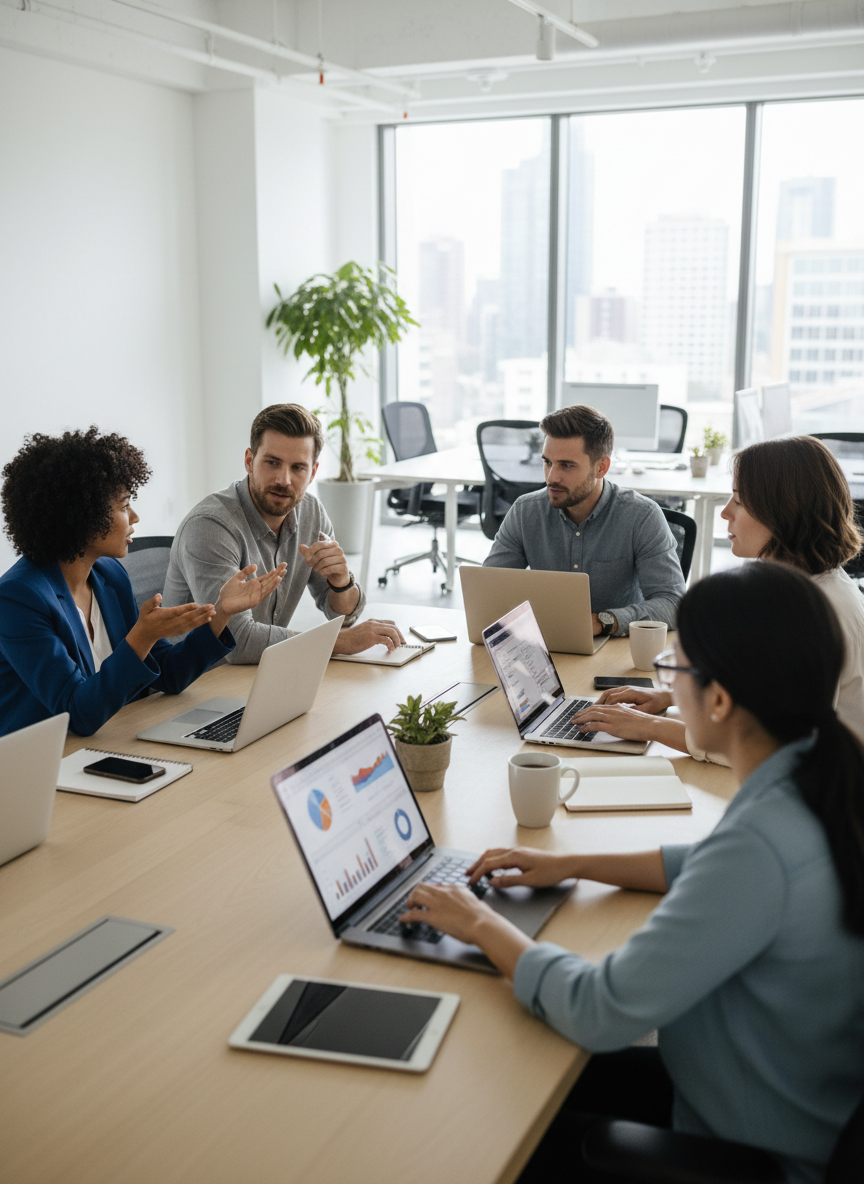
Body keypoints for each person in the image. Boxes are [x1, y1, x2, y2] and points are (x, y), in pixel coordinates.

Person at [401, 562, 864, 1183]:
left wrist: (480, 923)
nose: (666, 680)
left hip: (757, 1151)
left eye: (674, 669)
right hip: (781, 1094)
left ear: (720, 699)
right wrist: (571, 863)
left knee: (479, 1118)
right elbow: (704, 868)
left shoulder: (763, 844)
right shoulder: (820, 776)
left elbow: (599, 1007)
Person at [571, 435, 864, 753]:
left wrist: (650, 727)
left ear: (781, 511)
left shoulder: (820, 611)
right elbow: (761, 694)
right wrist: (669, 699)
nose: (725, 512)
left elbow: (775, 745)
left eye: (738, 500)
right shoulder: (799, 589)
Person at [0, 428, 284, 738]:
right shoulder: (19, 599)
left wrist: (222, 613)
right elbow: (76, 713)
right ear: (80, 516)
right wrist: (141, 636)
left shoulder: (109, 575)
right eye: (123, 506)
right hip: (42, 764)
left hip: (118, 738)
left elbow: (169, 674)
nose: (134, 516)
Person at [163, 403, 405, 661]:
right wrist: (342, 642)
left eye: (298, 468)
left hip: (264, 671)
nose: (284, 480)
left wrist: (341, 581)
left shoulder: (311, 512)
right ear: (249, 461)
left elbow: (343, 615)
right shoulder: (210, 527)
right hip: (199, 683)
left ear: (312, 472)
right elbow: (236, 642)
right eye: (272, 463)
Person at [483, 405, 685, 636]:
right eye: (548, 462)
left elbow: (674, 603)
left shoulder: (641, 516)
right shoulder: (524, 511)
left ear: (601, 467)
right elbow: (489, 592)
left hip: (616, 646)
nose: (551, 477)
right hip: (548, 643)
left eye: (567, 465)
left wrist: (604, 621)